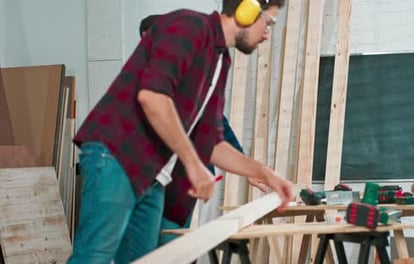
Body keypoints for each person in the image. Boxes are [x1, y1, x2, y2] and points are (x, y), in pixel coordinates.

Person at [68, 0, 291, 263]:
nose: (267, 33)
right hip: (117, 154)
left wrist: (265, 173)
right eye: (269, 22)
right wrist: (193, 164)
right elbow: (153, 97)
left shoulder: (220, 59)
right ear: (247, 11)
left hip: (152, 174)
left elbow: (212, 143)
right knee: (93, 258)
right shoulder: (189, 26)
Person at [138, 14, 265, 245]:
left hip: (183, 177)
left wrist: (249, 170)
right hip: (150, 175)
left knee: (170, 241)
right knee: (144, 246)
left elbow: (217, 126)